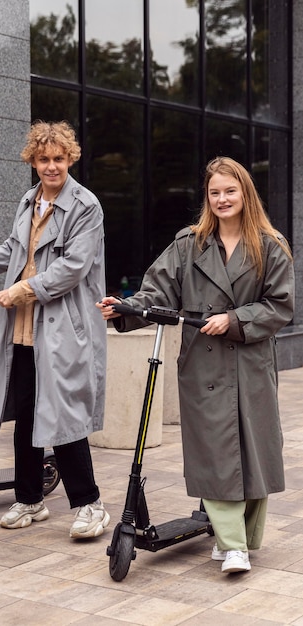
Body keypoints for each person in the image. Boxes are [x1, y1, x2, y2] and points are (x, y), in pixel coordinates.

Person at [97, 156, 294, 572]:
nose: (222, 199)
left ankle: (237, 538)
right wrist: (125, 308)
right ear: (206, 197)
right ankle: (232, 543)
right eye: (214, 192)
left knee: (254, 452)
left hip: (250, 363)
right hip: (203, 367)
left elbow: (280, 306)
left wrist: (236, 319)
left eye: (230, 191)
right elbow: (157, 290)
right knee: (215, 453)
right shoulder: (189, 244)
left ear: (245, 193)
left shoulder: (270, 245)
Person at [0, 120, 110, 538]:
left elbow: (73, 267)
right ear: (33, 161)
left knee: (65, 415)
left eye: (58, 158)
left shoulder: (85, 205)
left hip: (62, 327)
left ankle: (91, 504)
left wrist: (24, 288)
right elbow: (12, 248)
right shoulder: (28, 200)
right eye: (43, 159)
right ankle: (30, 498)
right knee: (27, 415)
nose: (51, 166)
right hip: (23, 328)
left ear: (70, 158)